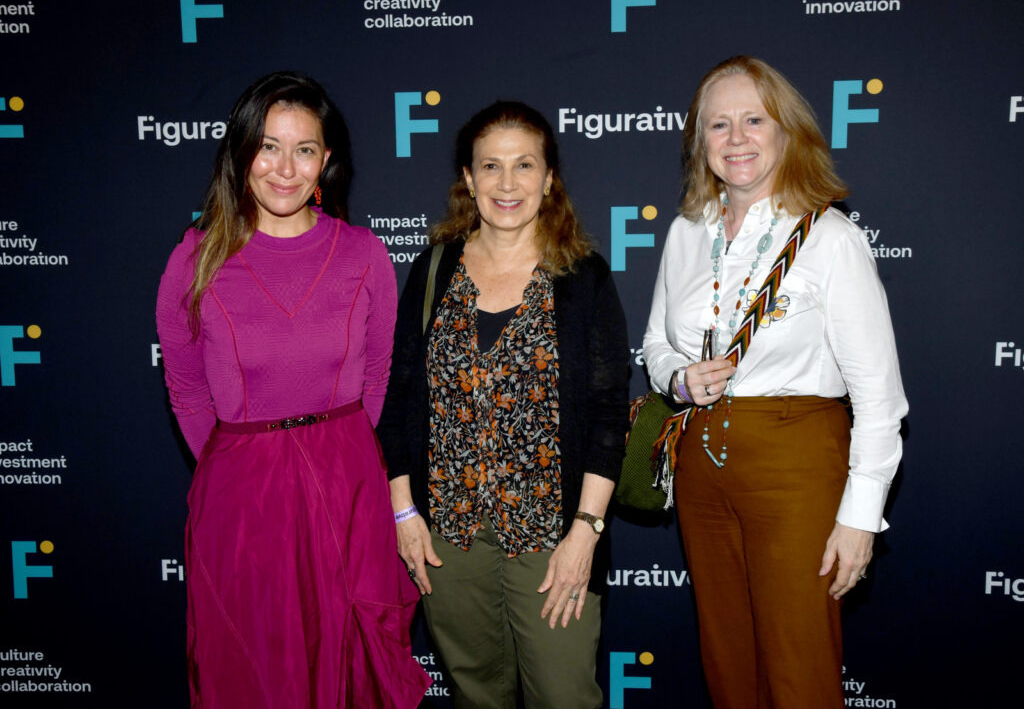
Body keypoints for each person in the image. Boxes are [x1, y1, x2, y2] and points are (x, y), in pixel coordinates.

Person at [155, 71, 429, 708]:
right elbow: (188, 392)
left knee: (351, 665)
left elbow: (379, 378)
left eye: (304, 149)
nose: (285, 168)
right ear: (241, 152)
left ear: (325, 161)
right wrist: (243, 469)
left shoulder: (364, 254)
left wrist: (339, 461)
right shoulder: (196, 259)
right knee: (256, 671)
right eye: (268, 146)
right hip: (242, 500)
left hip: (348, 486)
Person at [643, 56, 908, 708]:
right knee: (727, 663)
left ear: (787, 131)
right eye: (718, 125)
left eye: (754, 120)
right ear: (699, 142)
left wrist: (860, 518)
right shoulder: (685, 233)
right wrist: (680, 378)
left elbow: (880, 398)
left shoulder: (829, 237)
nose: (736, 138)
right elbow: (653, 346)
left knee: (799, 668)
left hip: (798, 466)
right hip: (702, 468)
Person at [377, 101, 629, 709]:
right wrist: (404, 515)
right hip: (449, 537)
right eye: (491, 166)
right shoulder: (433, 268)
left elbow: (605, 413)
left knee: (564, 694)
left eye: (524, 166)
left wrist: (586, 533)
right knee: (475, 695)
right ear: (468, 178)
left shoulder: (582, 276)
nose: (507, 183)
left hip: (553, 535)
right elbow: (400, 396)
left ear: (549, 180)